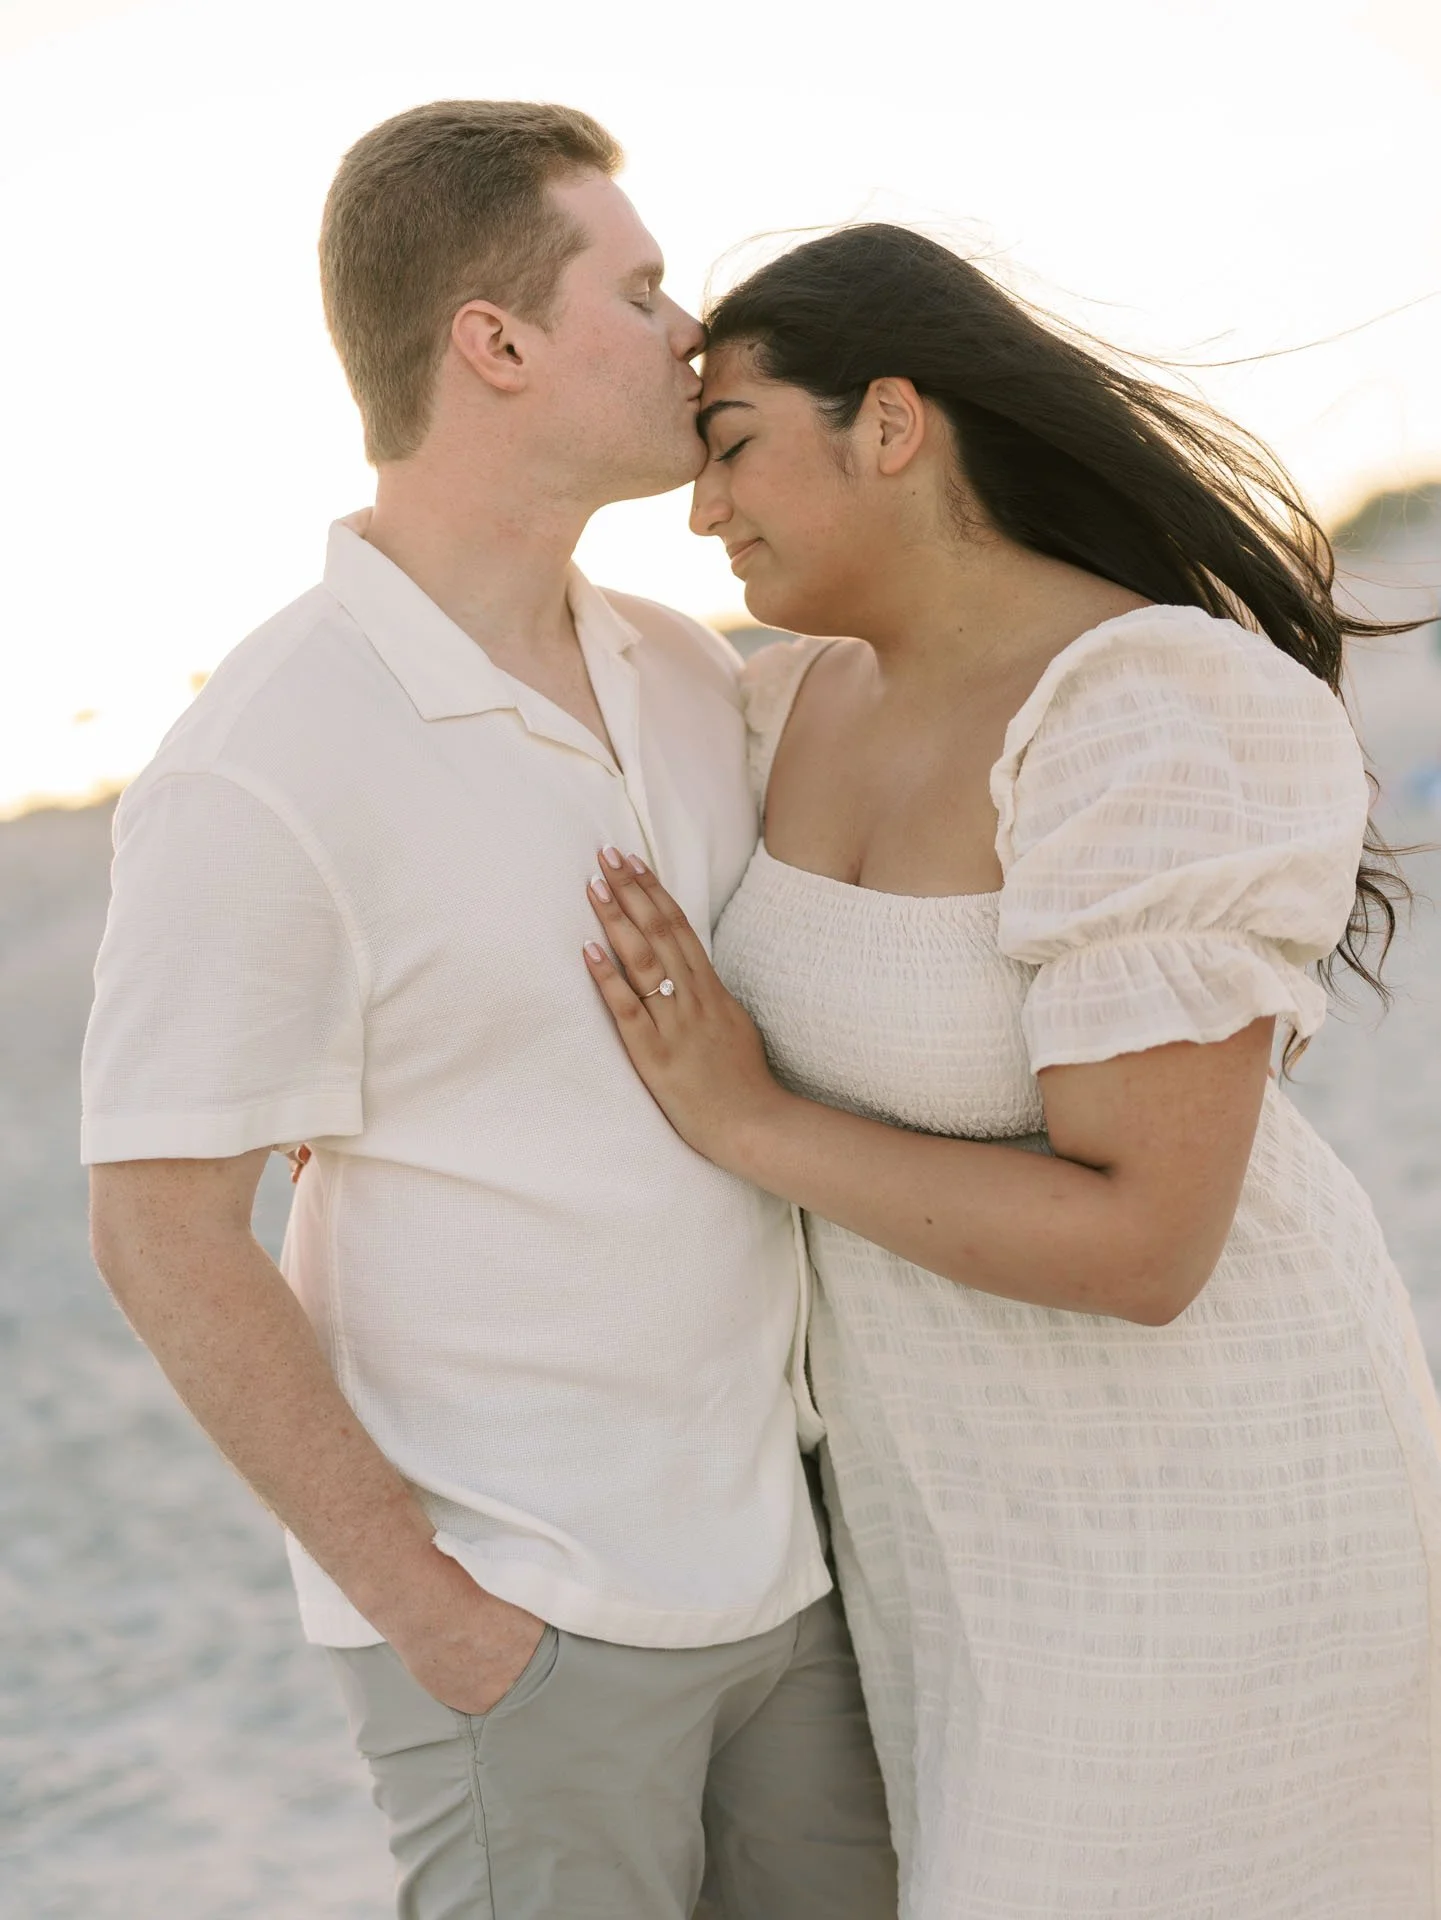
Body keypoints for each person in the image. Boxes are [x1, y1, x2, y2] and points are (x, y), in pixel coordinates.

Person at [80, 104, 896, 1920]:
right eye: (641, 289)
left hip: (787, 1590)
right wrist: (435, 1612)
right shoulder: (265, 757)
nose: (691, 332)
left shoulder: (681, 669)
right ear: (496, 343)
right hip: (528, 1628)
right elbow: (158, 1229)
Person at [580, 222, 1441, 1917]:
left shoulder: (1146, 707)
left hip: (1218, 1500)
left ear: (892, 423)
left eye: (733, 445)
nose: (701, 510)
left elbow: (1147, 1245)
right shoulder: (785, 704)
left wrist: (753, 1121)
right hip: (960, 1523)